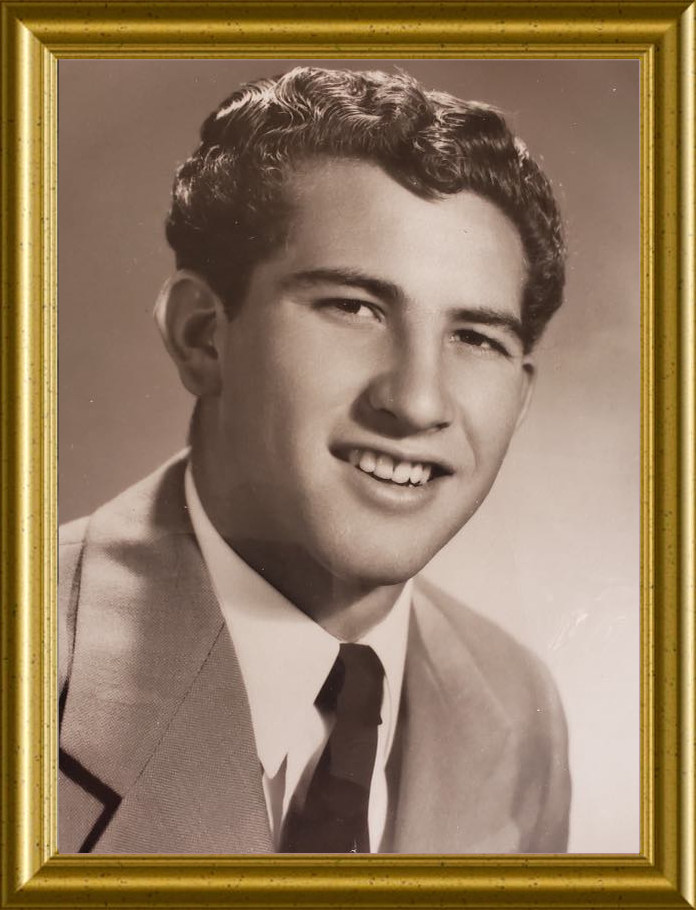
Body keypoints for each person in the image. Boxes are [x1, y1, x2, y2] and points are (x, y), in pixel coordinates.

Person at [58, 66, 571, 855]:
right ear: (202, 336)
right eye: (353, 307)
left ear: (522, 398)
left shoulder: (517, 706)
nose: (417, 402)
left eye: (476, 337)